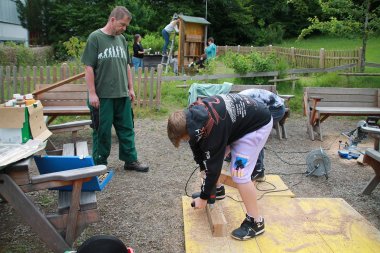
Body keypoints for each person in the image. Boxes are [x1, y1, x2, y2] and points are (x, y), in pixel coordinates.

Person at [167, 94, 273, 240]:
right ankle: (216, 190)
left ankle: (255, 222)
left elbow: (214, 166)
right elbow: (198, 149)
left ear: (190, 131)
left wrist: (204, 198)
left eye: (185, 138)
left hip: (256, 126)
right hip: (239, 122)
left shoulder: (212, 128)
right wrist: (202, 167)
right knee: (211, 160)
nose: (187, 141)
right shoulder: (193, 118)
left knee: (239, 174)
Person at [81, 6, 149, 172]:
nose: (124, 28)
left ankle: (130, 160)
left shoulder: (122, 40)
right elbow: (88, 67)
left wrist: (130, 88)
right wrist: (92, 93)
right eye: (122, 24)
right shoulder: (95, 38)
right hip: (102, 97)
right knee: (101, 131)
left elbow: (126, 65)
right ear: (112, 20)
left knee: (127, 129)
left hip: (122, 94)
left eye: (126, 26)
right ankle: (99, 163)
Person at [238, 89, 285, 181]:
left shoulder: (243, 103)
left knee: (254, 137)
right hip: (265, 106)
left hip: (276, 108)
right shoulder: (238, 103)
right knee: (247, 135)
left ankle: (258, 170)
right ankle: (251, 168)